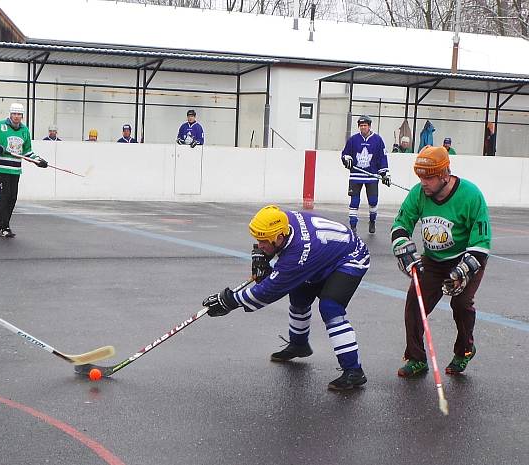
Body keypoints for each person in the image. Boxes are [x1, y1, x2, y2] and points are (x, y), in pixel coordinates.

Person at [202, 205, 370, 391]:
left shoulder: (299, 253)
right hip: (324, 254)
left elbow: (267, 292)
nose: (260, 244)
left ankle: (354, 371)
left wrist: (230, 301)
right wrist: (261, 255)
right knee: (299, 296)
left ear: (279, 237)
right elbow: (277, 258)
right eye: (258, 240)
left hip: (351, 258)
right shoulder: (282, 220)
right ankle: (299, 345)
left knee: (331, 307)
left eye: (264, 241)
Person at [390, 146, 490, 377]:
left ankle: (465, 350)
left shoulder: (471, 195)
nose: (423, 182)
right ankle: (416, 358)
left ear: (445, 174)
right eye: (420, 177)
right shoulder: (418, 193)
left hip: (466, 257)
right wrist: (402, 247)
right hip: (433, 260)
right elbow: (401, 223)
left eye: (429, 177)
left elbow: (482, 240)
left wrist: (465, 270)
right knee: (415, 304)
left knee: (461, 304)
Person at [0, 103, 49, 238]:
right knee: (4, 196)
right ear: (10, 114)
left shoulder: (25, 130)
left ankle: (3, 225)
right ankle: (3, 227)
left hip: (15, 170)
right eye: (14, 114)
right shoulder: (0, 126)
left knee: (12, 197)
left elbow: (27, 151)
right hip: (1, 168)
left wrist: (38, 161)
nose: (17, 117)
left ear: (22, 116)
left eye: (19, 114)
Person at [341, 115, 391, 234]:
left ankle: (372, 221)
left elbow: (382, 158)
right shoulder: (353, 140)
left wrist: (385, 173)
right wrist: (346, 159)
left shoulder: (378, 140)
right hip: (356, 176)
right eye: (361, 125)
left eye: (365, 125)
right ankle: (353, 226)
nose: (363, 127)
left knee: (373, 201)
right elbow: (345, 153)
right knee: (354, 202)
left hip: (371, 176)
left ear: (369, 126)